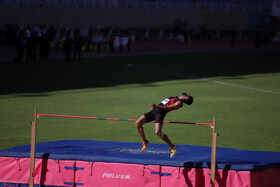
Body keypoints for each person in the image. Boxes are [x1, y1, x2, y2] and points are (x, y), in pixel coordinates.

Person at [135, 93, 193, 158]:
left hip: (160, 114)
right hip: (154, 111)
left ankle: (172, 147)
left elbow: (168, 108)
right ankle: (145, 141)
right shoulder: (174, 97)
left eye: (188, 96)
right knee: (138, 123)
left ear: (187, 98)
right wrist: (156, 107)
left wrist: (156, 106)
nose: (187, 94)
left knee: (158, 132)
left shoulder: (179, 103)